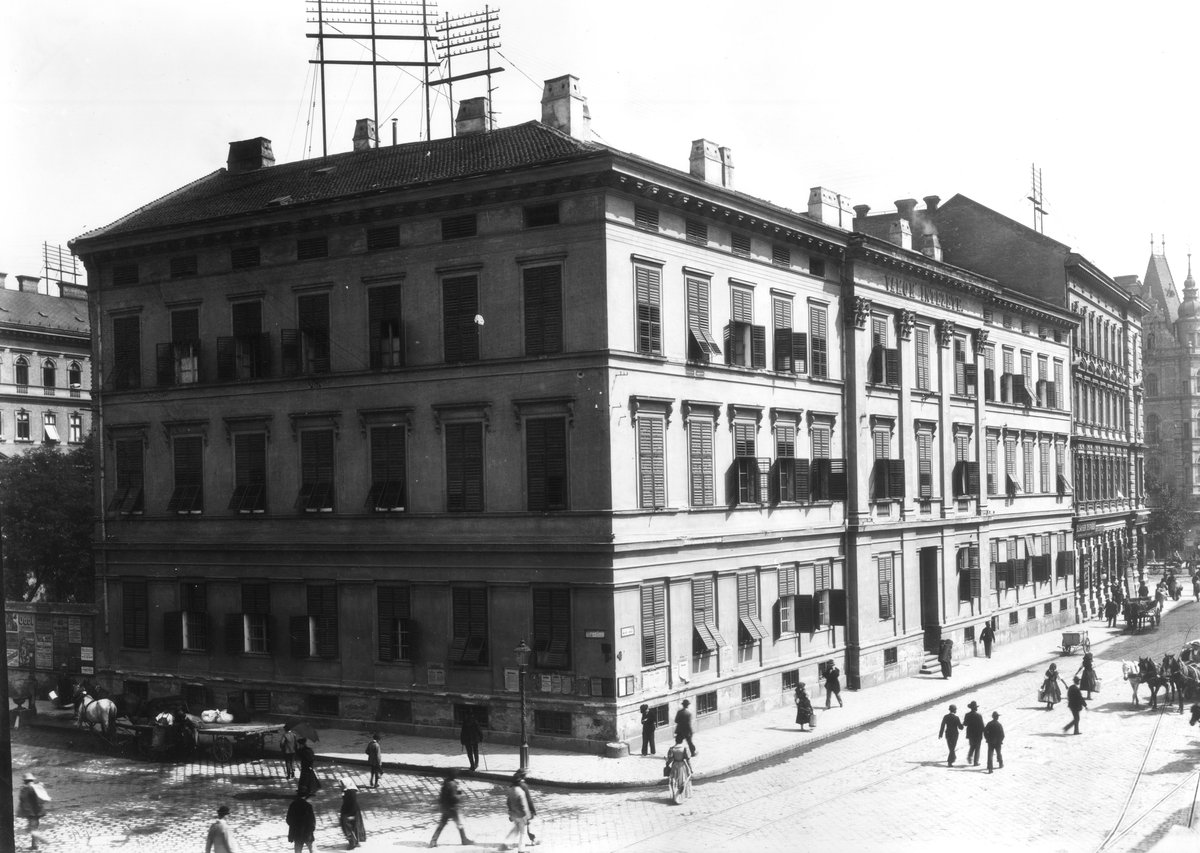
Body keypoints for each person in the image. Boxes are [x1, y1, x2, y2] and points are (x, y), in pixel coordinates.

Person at [429, 769, 473, 848]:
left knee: (441, 824)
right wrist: (459, 795)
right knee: (459, 824)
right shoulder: (453, 784)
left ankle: (433, 841)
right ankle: (464, 840)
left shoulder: (446, 782)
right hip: (452, 808)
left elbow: (442, 796)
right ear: (454, 775)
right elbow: (454, 798)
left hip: (445, 807)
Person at [504, 773, 533, 852]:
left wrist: (510, 814)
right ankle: (521, 850)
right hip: (521, 815)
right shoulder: (520, 792)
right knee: (523, 833)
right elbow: (524, 806)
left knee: (517, 829)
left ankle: (507, 843)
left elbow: (508, 803)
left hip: (513, 815)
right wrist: (528, 816)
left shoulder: (510, 791)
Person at [17, 772, 47, 850]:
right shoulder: (37, 787)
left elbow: (22, 799)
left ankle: (42, 840)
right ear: (32, 780)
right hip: (38, 812)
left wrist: (22, 789)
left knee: (30, 829)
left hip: (31, 813)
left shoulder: (26, 788)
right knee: (34, 828)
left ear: (25, 781)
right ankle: (34, 845)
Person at [339, 778, 367, 849]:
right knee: (353, 826)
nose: (341, 785)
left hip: (350, 812)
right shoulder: (347, 790)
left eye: (342, 784)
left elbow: (352, 804)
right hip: (349, 811)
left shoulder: (351, 792)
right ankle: (355, 841)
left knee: (348, 827)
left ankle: (352, 843)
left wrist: (351, 815)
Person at [286, 788, 316, 853]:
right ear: (306, 797)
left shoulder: (293, 805)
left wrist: (294, 826)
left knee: (297, 850)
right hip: (307, 832)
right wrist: (311, 830)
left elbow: (288, 820)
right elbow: (312, 821)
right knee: (311, 849)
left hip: (296, 832)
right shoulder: (308, 806)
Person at [514, 769, 538, 846]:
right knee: (528, 825)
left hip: (516, 810)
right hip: (524, 809)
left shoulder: (513, 785)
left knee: (521, 826)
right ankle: (532, 840)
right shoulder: (524, 786)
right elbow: (529, 799)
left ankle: (519, 841)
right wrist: (533, 810)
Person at [963, 701, 985, 767]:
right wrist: (985, 732)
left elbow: (965, 724)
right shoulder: (979, 715)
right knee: (977, 748)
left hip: (970, 734)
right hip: (978, 734)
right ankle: (976, 762)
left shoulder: (967, 715)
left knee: (972, 746)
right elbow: (982, 726)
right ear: (975, 708)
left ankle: (969, 756)